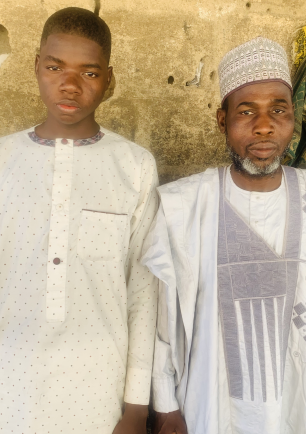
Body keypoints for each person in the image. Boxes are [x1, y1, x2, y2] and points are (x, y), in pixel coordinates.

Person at [142, 37, 306, 434]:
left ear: (295, 118)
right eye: (246, 110)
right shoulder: (185, 206)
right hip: (211, 411)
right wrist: (165, 408)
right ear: (222, 121)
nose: (264, 126)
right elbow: (164, 324)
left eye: (278, 110)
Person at [0, 7, 158, 434]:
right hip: (10, 385)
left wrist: (136, 406)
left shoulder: (135, 166)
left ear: (109, 79)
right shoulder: (3, 160)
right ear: (36, 66)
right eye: (54, 67)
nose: (69, 84)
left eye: (89, 73)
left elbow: (143, 292)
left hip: (100, 393)